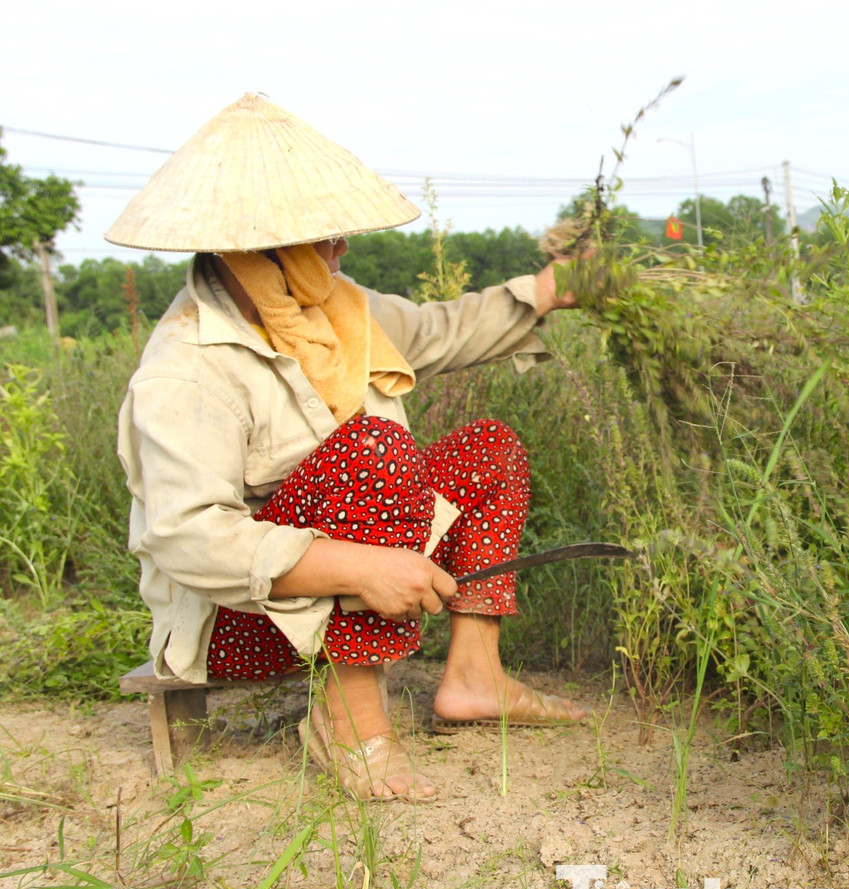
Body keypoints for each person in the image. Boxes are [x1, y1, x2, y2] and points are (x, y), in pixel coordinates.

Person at [112, 93, 586, 803]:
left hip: (335, 581)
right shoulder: (188, 365)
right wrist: (361, 566)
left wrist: (550, 291)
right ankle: (348, 718)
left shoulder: (335, 306)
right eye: (323, 237)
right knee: (374, 450)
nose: (342, 249)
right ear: (260, 248)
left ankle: (474, 676)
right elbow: (188, 537)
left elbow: (442, 329)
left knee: (490, 449)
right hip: (243, 624)